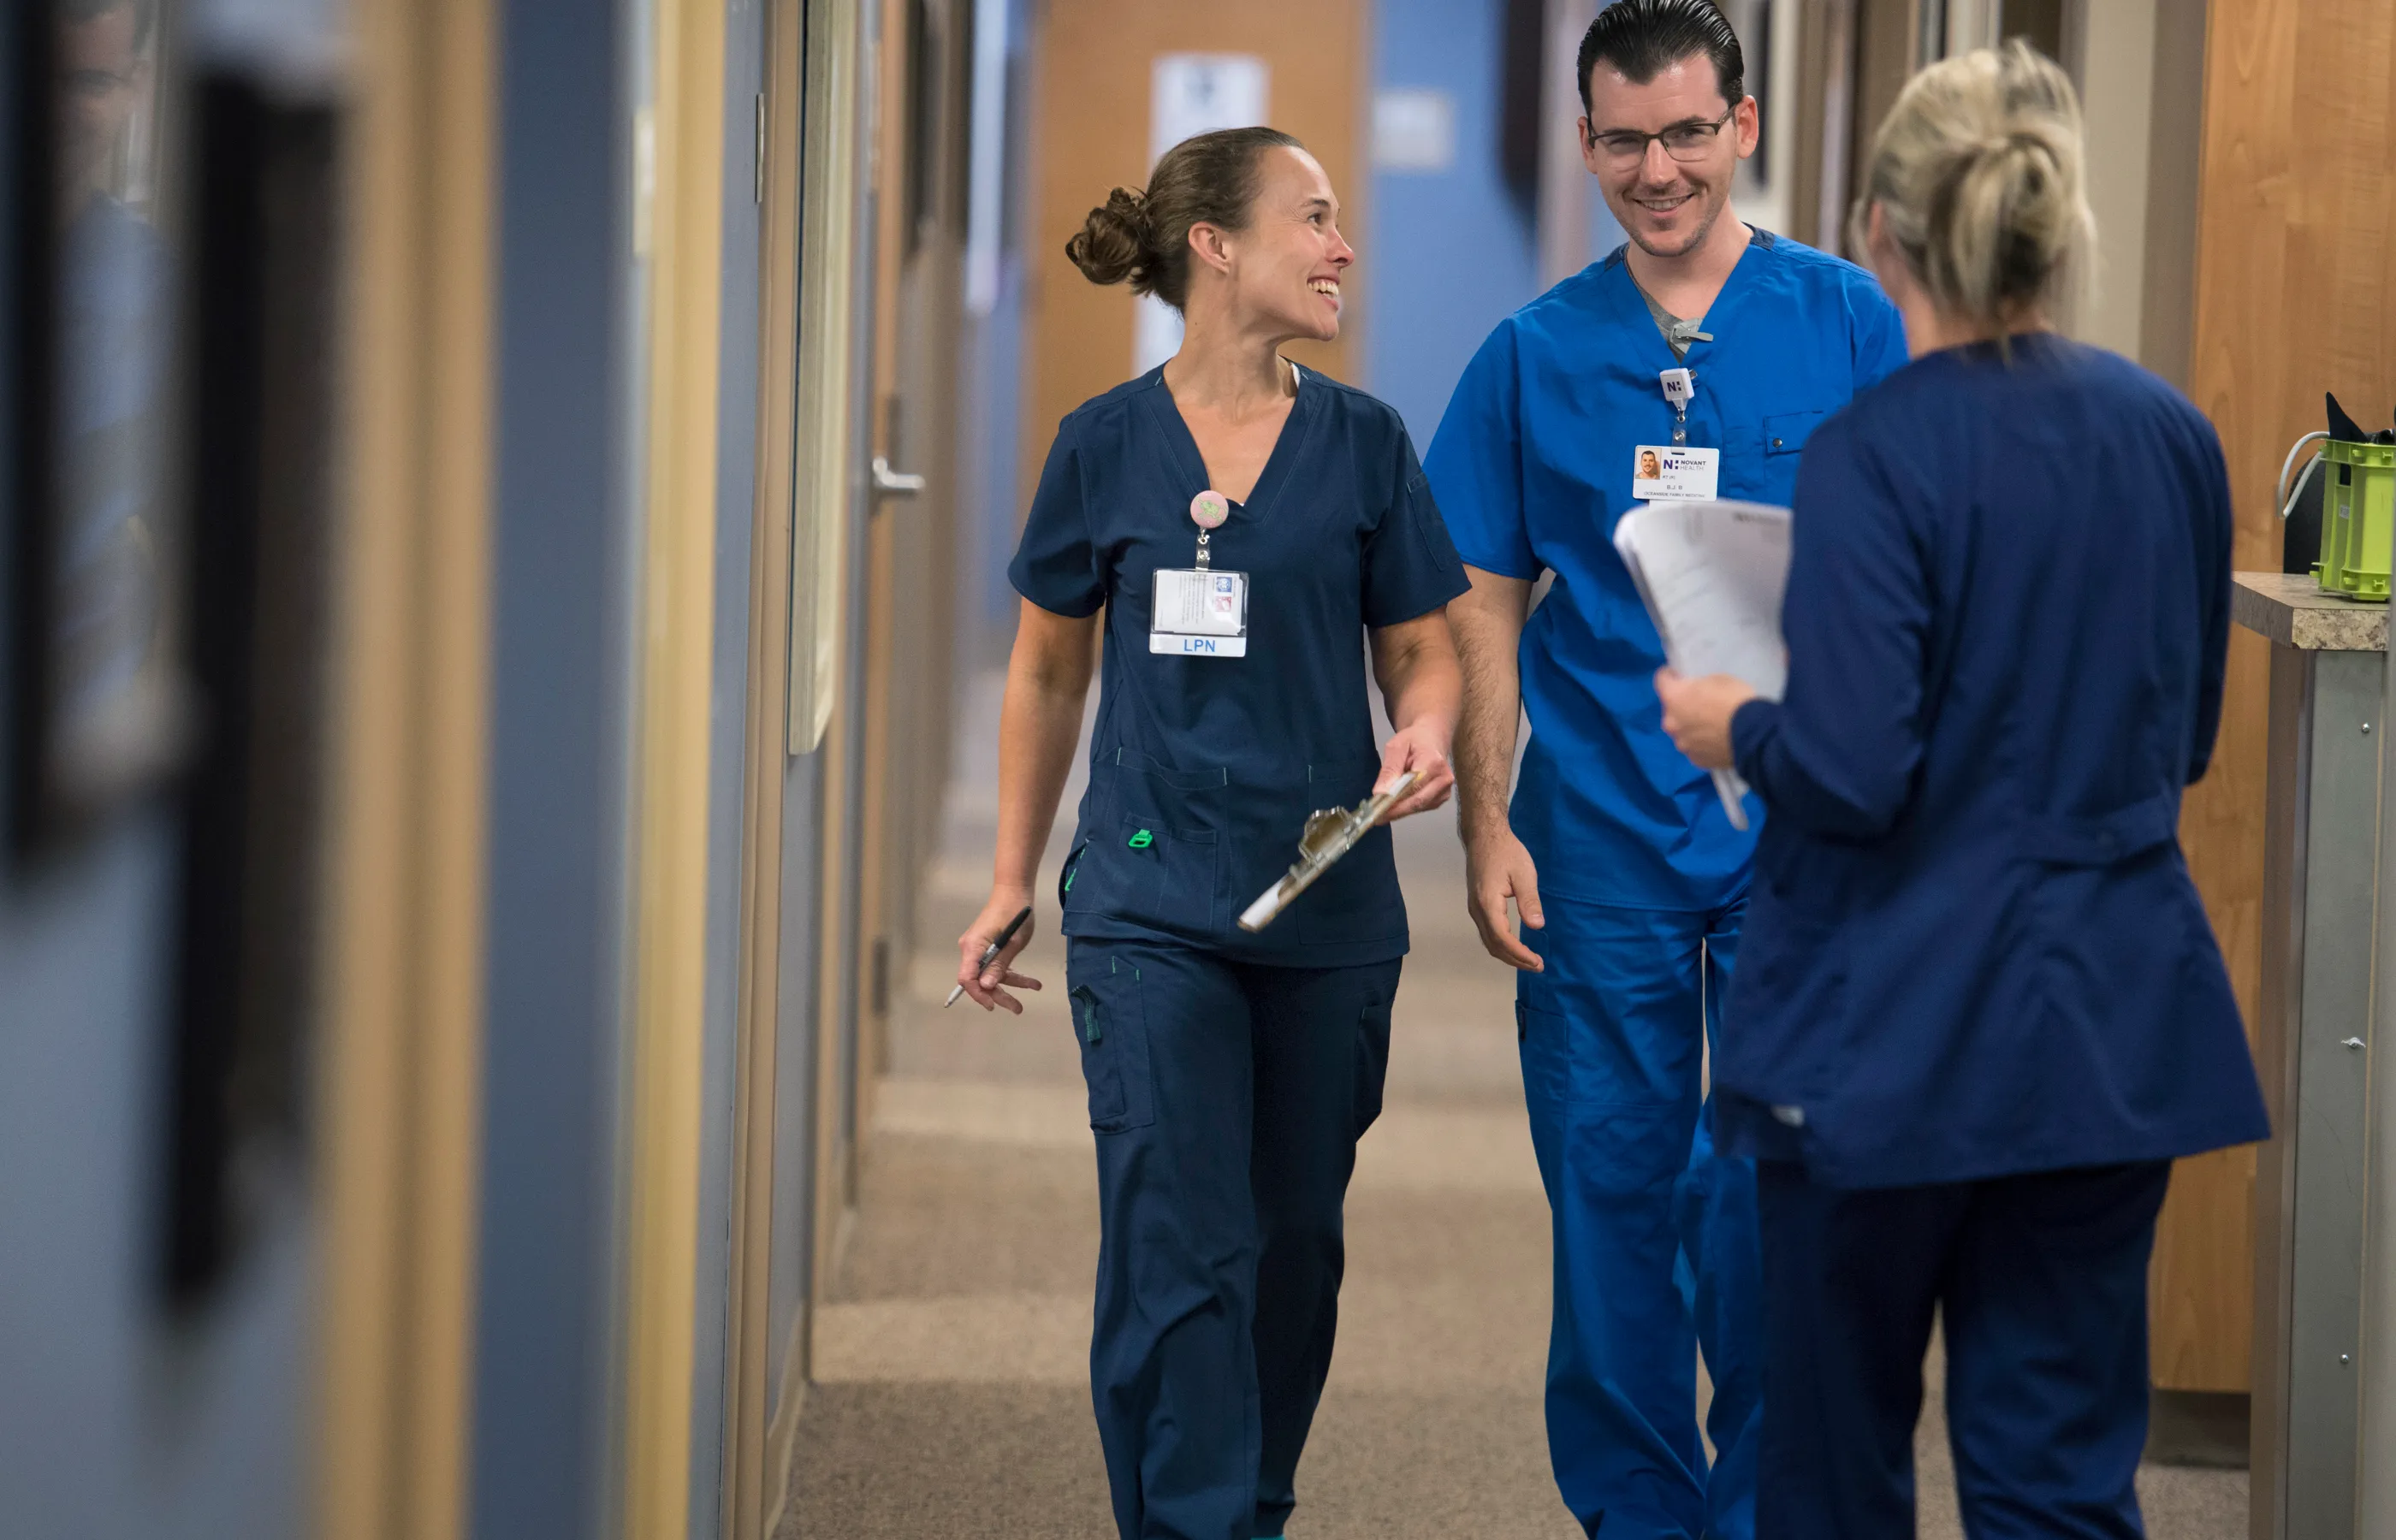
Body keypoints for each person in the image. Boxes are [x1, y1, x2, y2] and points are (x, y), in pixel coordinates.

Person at [1654, 41, 2269, 1538]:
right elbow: (2181, 742)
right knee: (2059, 1477)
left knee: (1834, 1467)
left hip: (1887, 1039)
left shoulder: (1881, 454)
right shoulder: (2174, 437)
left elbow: (1857, 777)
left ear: (1880, 232)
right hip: (2103, 1033)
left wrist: (1738, 726)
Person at [1421, 3, 1907, 1534]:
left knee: (1776, 1201)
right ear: (1586, 145)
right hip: (1602, 837)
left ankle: (1766, 1507)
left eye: (1688, 131)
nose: (1659, 167)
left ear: (1743, 127)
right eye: (1625, 139)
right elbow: (1482, 603)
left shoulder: (1844, 322)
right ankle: (1639, 1514)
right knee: (1614, 1200)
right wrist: (1490, 821)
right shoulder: (1535, 355)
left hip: (1798, 835)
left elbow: (1908, 575)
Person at [956, 127, 1469, 1540]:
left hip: (1328, 907)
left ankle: (1249, 1500)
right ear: (1217, 248)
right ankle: (1191, 1525)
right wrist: (1011, 874)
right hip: (1147, 898)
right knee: (1182, 1242)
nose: (1342, 246)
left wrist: (1425, 726)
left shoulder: (1365, 444)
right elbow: (1048, 669)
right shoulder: (1103, 445)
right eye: (1313, 218)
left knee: (1293, 1247)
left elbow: (1423, 652)